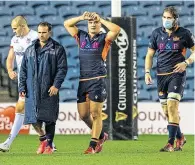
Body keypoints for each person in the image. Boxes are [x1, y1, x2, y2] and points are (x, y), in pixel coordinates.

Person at [64, 12, 120, 154]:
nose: (93, 24)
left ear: (99, 24)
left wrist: (101, 18)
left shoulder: (104, 38)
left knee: (95, 114)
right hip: (83, 80)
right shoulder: (81, 36)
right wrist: (81, 17)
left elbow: (116, 29)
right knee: (83, 115)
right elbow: (67, 24)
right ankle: (102, 136)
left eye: (96, 22)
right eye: (91, 22)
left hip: (97, 79)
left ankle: (93, 145)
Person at [145, 6, 194, 152]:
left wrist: (186, 63)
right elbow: (149, 55)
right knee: (167, 112)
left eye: (169, 18)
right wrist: (147, 72)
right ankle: (180, 137)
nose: (166, 20)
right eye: (164, 17)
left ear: (175, 19)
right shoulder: (156, 33)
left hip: (176, 75)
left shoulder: (185, 34)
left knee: (172, 107)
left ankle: (170, 143)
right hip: (161, 76)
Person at [0, 16, 48, 152]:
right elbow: (10, 57)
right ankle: (8, 143)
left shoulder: (35, 37)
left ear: (22, 26)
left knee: (33, 112)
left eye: (15, 28)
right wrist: (9, 70)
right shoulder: (14, 40)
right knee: (21, 108)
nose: (14, 31)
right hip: (24, 80)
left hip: (37, 79)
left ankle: (47, 141)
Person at [19, 21, 67, 154]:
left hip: (49, 89)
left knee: (49, 119)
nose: (41, 35)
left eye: (44, 32)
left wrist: (56, 85)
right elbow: (23, 70)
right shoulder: (29, 49)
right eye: (39, 32)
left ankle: (49, 145)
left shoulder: (57, 48)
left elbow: (62, 69)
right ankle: (43, 139)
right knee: (33, 118)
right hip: (31, 89)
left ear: (49, 32)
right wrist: (22, 86)